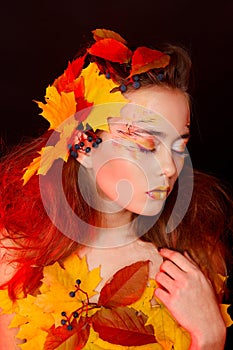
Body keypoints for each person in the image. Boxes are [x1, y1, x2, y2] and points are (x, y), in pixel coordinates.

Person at [0, 28, 232, 350]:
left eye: (180, 146)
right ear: (83, 146)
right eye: (146, 144)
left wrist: (209, 338)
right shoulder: (14, 261)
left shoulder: (198, 264)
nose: (169, 167)